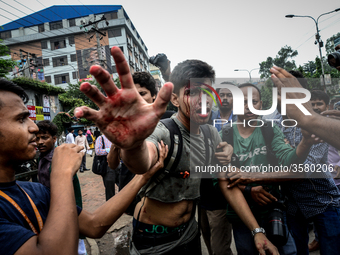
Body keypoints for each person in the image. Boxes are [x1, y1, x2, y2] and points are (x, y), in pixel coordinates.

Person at [75, 46, 279, 255]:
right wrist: (134, 144)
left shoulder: (211, 134)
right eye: (192, 93)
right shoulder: (165, 131)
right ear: (175, 99)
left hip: (189, 233)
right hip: (153, 239)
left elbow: (227, 185)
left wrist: (257, 231)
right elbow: (143, 162)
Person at [0, 78, 169, 255]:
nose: (34, 127)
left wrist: (144, 176)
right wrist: (62, 174)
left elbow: (94, 225)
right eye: (21, 119)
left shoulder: (34, 191)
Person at [36, 120, 86, 255]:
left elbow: (72, 194)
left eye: (44, 137)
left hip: (68, 214)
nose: (40, 142)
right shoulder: (41, 158)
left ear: (54, 139)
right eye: (37, 138)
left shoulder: (59, 161)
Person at [268, 66, 340, 150]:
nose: (285, 100)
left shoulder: (317, 129)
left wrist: (288, 150)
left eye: (291, 94)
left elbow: (310, 162)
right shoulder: (271, 125)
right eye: (280, 93)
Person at [95, 134, 116, 201]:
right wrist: (109, 150)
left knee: (124, 185)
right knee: (110, 187)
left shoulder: (115, 138)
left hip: (119, 164)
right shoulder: (101, 138)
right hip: (107, 166)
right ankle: (111, 205)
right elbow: (97, 151)